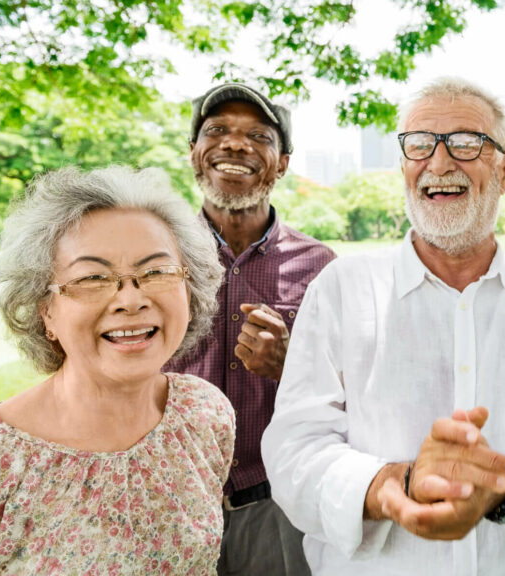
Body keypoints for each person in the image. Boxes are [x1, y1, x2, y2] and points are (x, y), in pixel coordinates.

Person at [261, 77, 505, 576]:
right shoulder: (341, 289)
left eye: (466, 142)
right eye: (420, 144)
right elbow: (294, 450)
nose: (439, 163)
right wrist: (394, 487)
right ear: (403, 166)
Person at [0, 166, 232, 573]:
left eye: (156, 271)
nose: (130, 299)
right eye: (93, 278)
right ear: (45, 309)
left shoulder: (204, 413)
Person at [166, 82, 336, 575]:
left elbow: (355, 396)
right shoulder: (155, 256)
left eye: (258, 136)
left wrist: (292, 365)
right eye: (216, 130)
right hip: (171, 499)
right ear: (194, 153)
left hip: (277, 505)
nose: (235, 144)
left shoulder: (322, 266)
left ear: (282, 162)